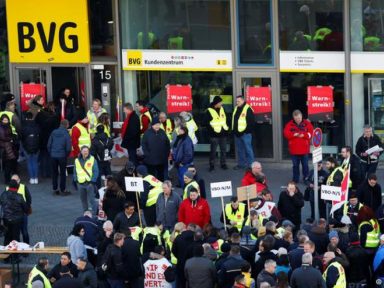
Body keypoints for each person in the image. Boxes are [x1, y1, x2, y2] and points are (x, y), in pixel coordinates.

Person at [283, 109, 314, 183]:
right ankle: (295, 180)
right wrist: (294, 135)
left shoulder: (307, 123)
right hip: (294, 150)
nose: (298, 120)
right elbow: (286, 134)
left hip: (304, 149)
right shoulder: (289, 124)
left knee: (305, 166)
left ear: (301, 116)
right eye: (296, 118)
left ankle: (306, 179)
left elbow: (311, 133)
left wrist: (304, 135)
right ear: (293, 117)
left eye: (299, 118)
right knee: (295, 166)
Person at [36, 101, 60, 178]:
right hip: (51, 138)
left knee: (43, 156)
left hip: (42, 138)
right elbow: (57, 127)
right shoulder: (55, 117)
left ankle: (43, 173)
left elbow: (37, 123)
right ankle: (51, 173)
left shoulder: (40, 114)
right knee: (51, 156)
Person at [0, 179, 28, 245]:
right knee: (16, 237)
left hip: (6, 219)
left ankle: (7, 253)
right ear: (17, 187)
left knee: (7, 237)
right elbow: (25, 208)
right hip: (17, 220)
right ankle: (15, 254)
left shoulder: (3, 195)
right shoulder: (20, 196)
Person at [47, 119, 71, 196]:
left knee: (54, 172)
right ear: (67, 125)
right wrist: (66, 155)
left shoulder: (54, 132)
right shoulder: (66, 133)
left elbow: (49, 145)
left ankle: (55, 189)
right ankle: (62, 189)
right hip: (62, 156)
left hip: (53, 155)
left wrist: (51, 153)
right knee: (63, 173)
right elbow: (68, 147)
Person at [142, 117, 170, 181]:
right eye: (156, 125)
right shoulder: (147, 133)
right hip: (151, 160)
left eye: (158, 124)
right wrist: (147, 154)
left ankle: (161, 188)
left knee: (161, 176)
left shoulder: (162, 132)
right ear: (152, 125)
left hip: (161, 160)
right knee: (151, 177)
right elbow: (144, 144)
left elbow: (167, 143)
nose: (157, 126)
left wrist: (166, 154)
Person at [206, 95, 229, 171]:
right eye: (220, 102)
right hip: (214, 135)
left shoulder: (222, 109)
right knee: (213, 151)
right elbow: (206, 123)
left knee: (223, 150)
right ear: (216, 103)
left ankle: (223, 164)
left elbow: (226, 119)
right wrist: (212, 131)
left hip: (223, 134)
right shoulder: (209, 111)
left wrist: (226, 130)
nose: (222, 104)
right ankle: (211, 165)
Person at [232, 95, 255, 170]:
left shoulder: (248, 108)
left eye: (238, 101)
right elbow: (234, 120)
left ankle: (251, 166)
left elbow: (251, 122)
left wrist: (244, 132)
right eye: (236, 101)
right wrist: (234, 131)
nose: (237, 102)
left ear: (242, 101)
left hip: (245, 134)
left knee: (248, 150)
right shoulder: (236, 108)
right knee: (240, 150)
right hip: (237, 134)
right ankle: (241, 164)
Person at [74, 146, 99, 212]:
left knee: (92, 200)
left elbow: (96, 171)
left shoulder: (92, 159)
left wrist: (92, 182)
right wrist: (75, 180)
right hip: (80, 184)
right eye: (84, 151)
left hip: (89, 183)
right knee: (83, 200)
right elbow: (75, 171)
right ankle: (85, 213)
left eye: (87, 151)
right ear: (81, 152)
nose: (86, 152)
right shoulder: (76, 160)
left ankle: (95, 214)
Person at [10, 174, 32, 244]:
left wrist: (26, 210)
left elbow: (29, 199)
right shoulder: (8, 188)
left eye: (15, 180)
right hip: (13, 214)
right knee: (16, 234)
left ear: (19, 180)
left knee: (24, 232)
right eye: (13, 180)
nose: (14, 182)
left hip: (22, 214)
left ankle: (26, 247)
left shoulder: (23, 187)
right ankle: (17, 249)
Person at [21, 112, 40, 184]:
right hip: (36, 147)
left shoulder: (23, 126)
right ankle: (36, 178)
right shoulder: (37, 125)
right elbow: (40, 136)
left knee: (29, 162)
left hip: (26, 147)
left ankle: (32, 178)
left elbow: (21, 137)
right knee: (35, 162)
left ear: (26, 117)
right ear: (32, 117)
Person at [0, 114, 18, 183]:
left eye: (7, 120)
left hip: (9, 147)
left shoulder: (9, 126)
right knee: (8, 164)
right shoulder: (1, 127)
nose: (6, 121)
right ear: (1, 120)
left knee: (11, 163)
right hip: (5, 148)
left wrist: (13, 137)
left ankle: (10, 179)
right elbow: (2, 137)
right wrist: (11, 139)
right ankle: (7, 180)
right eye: (4, 120)